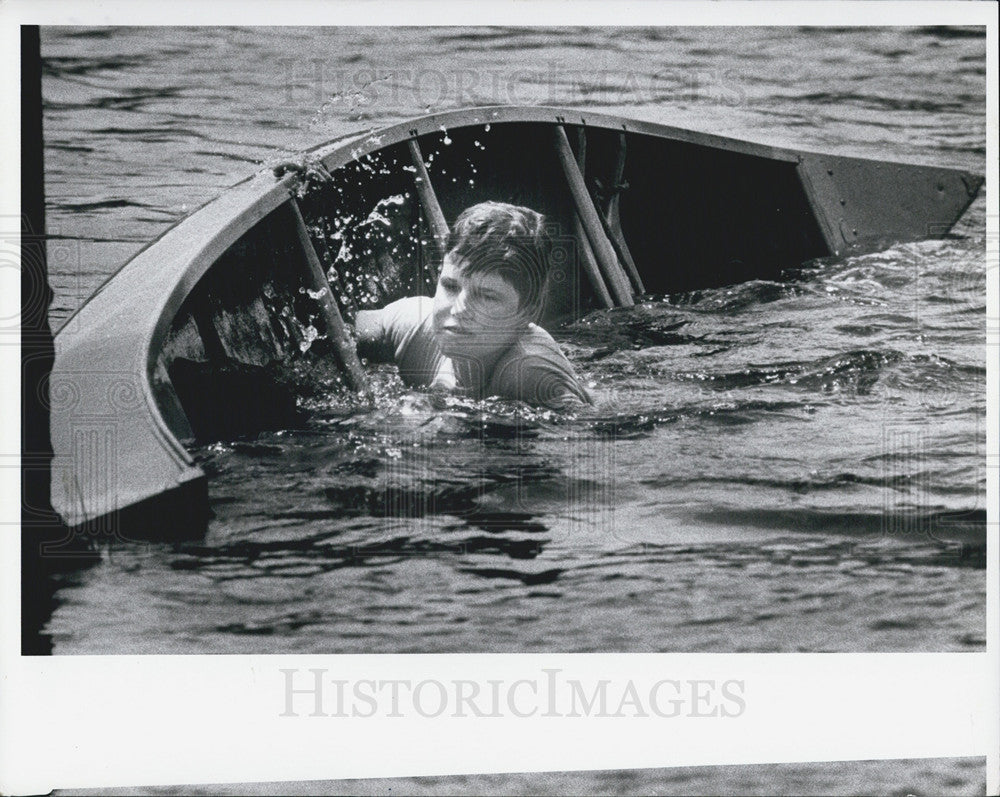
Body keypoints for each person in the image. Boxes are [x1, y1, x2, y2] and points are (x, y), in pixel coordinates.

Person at [354, 201, 591, 410]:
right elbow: (334, 332)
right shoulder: (416, 325)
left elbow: (589, 443)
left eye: (487, 297)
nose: (457, 310)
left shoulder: (531, 371)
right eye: (450, 286)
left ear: (528, 312)